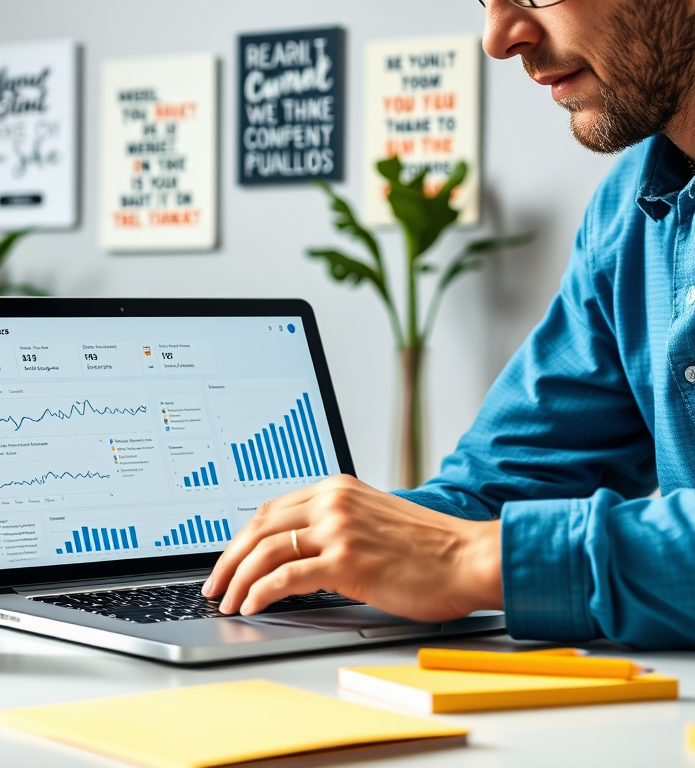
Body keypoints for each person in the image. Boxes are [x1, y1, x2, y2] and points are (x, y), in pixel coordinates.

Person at [204, 0, 695, 649]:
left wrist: (469, 561)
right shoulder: (627, 216)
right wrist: (337, 543)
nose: (499, 38)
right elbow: (504, 481)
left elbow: (466, 546)